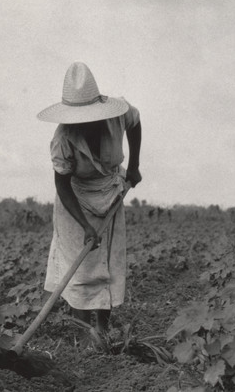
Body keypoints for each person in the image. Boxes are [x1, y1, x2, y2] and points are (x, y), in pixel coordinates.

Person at [36, 61, 142, 338]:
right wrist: (84, 225)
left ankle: (103, 328)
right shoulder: (63, 139)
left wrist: (134, 166)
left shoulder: (118, 113)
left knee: (108, 262)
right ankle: (83, 334)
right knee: (80, 269)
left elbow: (135, 123)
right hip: (75, 200)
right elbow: (62, 184)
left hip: (111, 191)